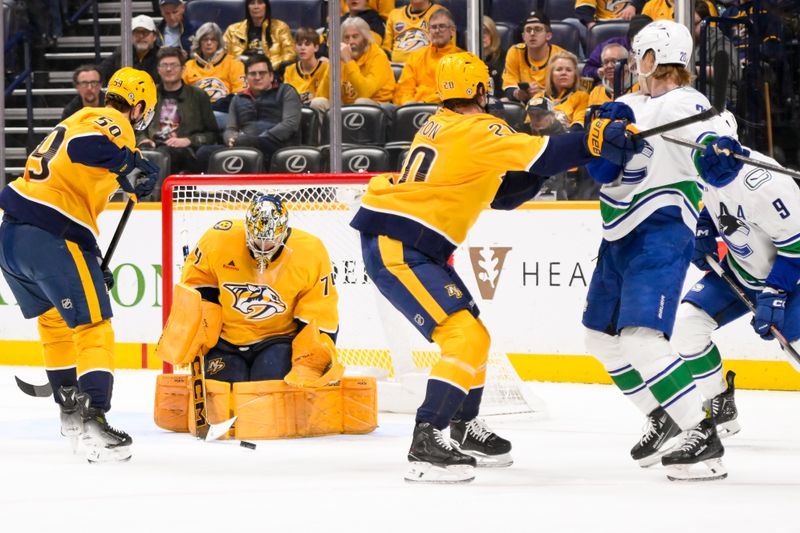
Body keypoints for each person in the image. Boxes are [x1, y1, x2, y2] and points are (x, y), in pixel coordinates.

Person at [350, 51, 644, 483]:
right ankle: (427, 438)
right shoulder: (479, 128)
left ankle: (464, 426)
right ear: (482, 91)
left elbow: (504, 195)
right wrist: (590, 138)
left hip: (407, 241)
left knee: (475, 336)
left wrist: (568, 154)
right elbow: (544, 154)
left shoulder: (441, 126)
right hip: (402, 244)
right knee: (463, 336)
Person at [581, 20, 736, 481]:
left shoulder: (684, 102)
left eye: (638, 56)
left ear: (656, 58)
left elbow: (709, 141)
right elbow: (600, 164)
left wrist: (716, 149)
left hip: (661, 227)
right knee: (600, 339)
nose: (632, 64)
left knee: (640, 339)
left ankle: (701, 432)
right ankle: (662, 414)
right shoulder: (628, 103)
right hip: (616, 231)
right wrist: (600, 137)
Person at [0, 67, 159, 463]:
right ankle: (96, 418)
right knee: (94, 327)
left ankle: (69, 413)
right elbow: (83, 149)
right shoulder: (114, 123)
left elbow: (74, 175)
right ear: (137, 105)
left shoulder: (75, 117)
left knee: (54, 322)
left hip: (12, 236)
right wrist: (130, 163)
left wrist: (91, 255)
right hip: (48, 235)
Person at [672, 133, 800, 440]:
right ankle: (720, 403)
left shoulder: (768, 187)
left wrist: (775, 293)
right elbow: (711, 204)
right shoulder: (706, 165)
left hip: (790, 279)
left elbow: (796, 248)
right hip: (739, 272)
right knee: (687, 328)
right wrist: (704, 227)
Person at [198, 54, 301, 169]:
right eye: (253, 74)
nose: (257, 77)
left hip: (276, 144)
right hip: (243, 144)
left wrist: (259, 139)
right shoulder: (238, 98)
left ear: (271, 76)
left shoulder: (286, 91)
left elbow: (290, 124)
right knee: (204, 152)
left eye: (262, 73)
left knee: (245, 141)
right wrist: (230, 140)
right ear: (246, 78)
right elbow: (231, 128)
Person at [138, 47, 219, 179]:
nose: (169, 69)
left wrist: (189, 140)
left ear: (183, 69)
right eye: (164, 65)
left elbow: (213, 134)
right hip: (153, 148)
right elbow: (138, 129)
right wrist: (144, 140)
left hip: (186, 151)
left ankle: (157, 196)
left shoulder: (199, 96)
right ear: (158, 69)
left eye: (173, 65)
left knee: (164, 153)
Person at [313, 17, 395, 111]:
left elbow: (365, 92)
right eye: (346, 37)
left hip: (377, 106)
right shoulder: (342, 56)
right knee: (318, 103)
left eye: (355, 36)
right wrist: (335, 63)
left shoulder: (378, 56)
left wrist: (348, 61)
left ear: (365, 38)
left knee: (361, 102)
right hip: (347, 104)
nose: (351, 42)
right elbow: (323, 94)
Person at [183, 22, 247, 130]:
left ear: (218, 42)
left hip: (224, 113)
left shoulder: (234, 63)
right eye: (205, 39)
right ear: (199, 42)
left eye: (213, 39)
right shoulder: (188, 66)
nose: (209, 43)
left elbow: (241, 95)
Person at [393, 9, 463, 106]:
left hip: (443, 109)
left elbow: (451, 91)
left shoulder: (461, 59)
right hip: (413, 107)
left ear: (452, 31)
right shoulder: (416, 56)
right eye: (433, 27)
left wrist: (425, 103)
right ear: (429, 32)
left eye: (442, 26)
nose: (437, 31)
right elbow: (403, 88)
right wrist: (408, 104)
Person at [501, 11, 566, 105]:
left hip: (553, 103)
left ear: (548, 35)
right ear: (523, 36)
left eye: (538, 29)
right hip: (524, 102)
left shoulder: (560, 56)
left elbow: (565, 90)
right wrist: (518, 94)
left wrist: (542, 92)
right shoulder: (515, 51)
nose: (532, 33)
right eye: (528, 30)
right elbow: (508, 86)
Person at [223, 0, 296, 74]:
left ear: (266, 6)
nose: (256, 7)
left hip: (272, 74)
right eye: (252, 3)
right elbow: (222, 56)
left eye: (260, 3)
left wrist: (268, 68)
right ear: (247, 7)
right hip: (239, 75)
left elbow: (289, 54)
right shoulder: (233, 30)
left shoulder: (280, 27)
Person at [529, 51, 589, 129]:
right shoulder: (538, 97)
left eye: (568, 70)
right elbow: (528, 125)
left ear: (575, 74)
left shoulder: (582, 97)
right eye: (559, 69)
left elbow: (579, 124)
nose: (564, 73)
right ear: (551, 74)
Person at [100, 15, 161, 85]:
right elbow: (101, 72)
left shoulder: (161, 56)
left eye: (145, 32)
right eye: (136, 32)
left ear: (154, 36)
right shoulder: (121, 54)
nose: (141, 36)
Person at [283, 27, 330, 107]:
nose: (302, 48)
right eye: (299, 44)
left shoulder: (326, 67)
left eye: (307, 44)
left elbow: (325, 96)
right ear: (295, 47)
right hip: (297, 111)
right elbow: (286, 97)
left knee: (318, 102)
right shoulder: (289, 70)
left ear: (316, 48)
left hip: (320, 111)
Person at [586, 42, 637, 107]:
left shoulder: (639, 89)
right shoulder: (596, 92)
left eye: (614, 61)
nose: (609, 66)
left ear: (627, 65)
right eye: (606, 62)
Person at [482, 16, 505, 100]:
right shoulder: (467, 59)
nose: (482, 36)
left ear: (493, 34)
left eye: (485, 32)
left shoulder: (504, 58)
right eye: (478, 32)